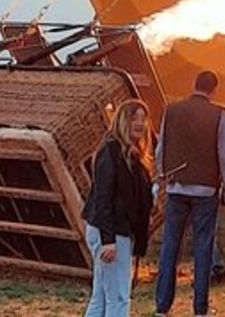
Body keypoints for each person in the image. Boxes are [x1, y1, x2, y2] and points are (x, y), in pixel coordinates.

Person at [154, 71, 225, 317]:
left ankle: (162, 305)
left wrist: (162, 180)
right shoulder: (219, 114)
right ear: (214, 90)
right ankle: (200, 309)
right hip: (205, 190)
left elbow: (161, 149)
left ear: (195, 85)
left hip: (176, 187)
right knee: (203, 247)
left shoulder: (171, 111)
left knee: (170, 245)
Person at [82, 99, 155, 317]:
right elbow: (104, 197)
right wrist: (108, 240)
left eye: (143, 119)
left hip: (116, 231)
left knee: (103, 297)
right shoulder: (112, 152)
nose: (140, 124)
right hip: (113, 232)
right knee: (119, 298)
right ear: (123, 120)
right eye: (134, 118)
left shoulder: (130, 154)